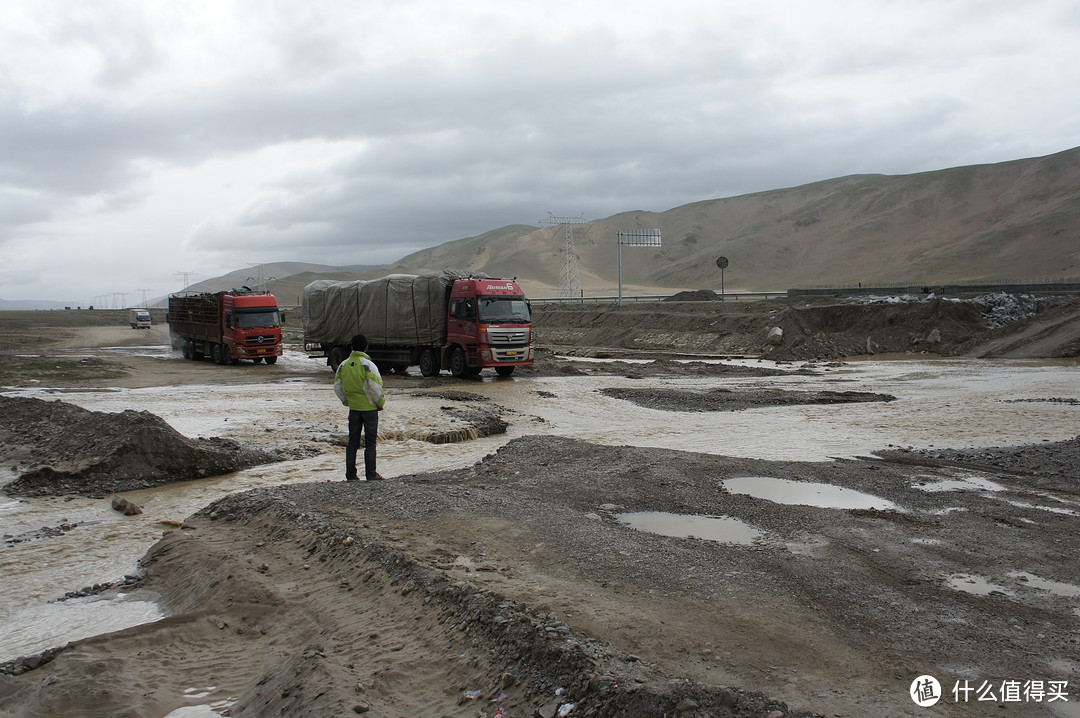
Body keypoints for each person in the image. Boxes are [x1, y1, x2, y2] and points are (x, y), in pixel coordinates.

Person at [334, 334, 386, 481]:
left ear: (351, 347)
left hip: (354, 409)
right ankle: (371, 474)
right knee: (370, 443)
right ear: (366, 347)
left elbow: (337, 387)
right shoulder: (368, 365)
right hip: (369, 409)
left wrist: (346, 401)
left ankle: (350, 475)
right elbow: (376, 387)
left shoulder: (343, 365)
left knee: (353, 443)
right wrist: (379, 404)